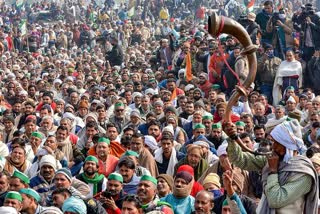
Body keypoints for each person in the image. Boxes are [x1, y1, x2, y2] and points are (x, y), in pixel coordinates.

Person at [224, 120, 318, 213]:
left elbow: (275, 200)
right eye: (273, 142)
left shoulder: (304, 173)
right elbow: (239, 160)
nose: (274, 147)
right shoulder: (271, 160)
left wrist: (273, 171)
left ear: (289, 145)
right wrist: (232, 138)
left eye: (278, 143)